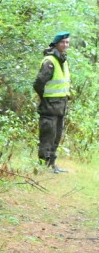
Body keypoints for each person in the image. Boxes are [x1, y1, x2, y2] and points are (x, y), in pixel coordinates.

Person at [34, 32, 71, 173]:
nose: (65, 45)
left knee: (56, 136)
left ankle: (52, 164)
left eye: (67, 42)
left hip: (61, 105)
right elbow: (38, 84)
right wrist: (45, 99)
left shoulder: (63, 60)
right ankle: (43, 165)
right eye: (63, 42)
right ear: (56, 43)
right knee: (47, 136)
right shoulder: (50, 61)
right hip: (49, 106)